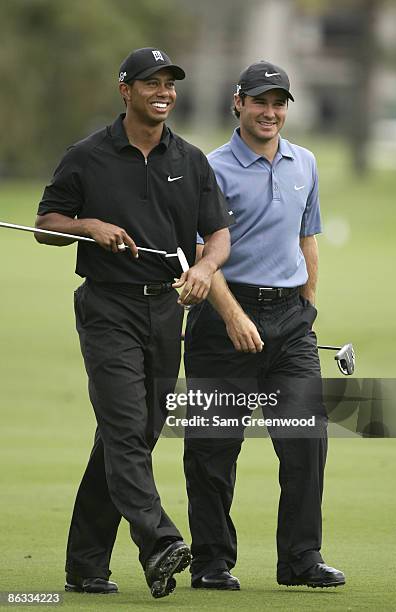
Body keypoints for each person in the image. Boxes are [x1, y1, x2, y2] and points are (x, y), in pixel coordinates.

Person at [34, 47, 232, 599]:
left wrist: (207, 267)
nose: (163, 91)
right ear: (126, 91)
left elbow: (217, 232)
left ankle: (84, 565)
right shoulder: (87, 156)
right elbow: (45, 224)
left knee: (134, 437)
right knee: (124, 428)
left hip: (166, 311)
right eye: (152, 83)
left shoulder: (190, 159)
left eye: (170, 83)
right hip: (107, 308)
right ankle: (159, 540)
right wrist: (87, 224)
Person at [183, 61, 345, 590]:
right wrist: (231, 314)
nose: (270, 112)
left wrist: (309, 309)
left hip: (290, 320)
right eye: (260, 102)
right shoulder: (211, 167)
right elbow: (204, 254)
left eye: (278, 103)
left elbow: (308, 238)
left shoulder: (306, 162)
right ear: (238, 103)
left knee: (305, 442)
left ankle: (301, 559)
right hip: (223, 316)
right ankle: (211, 562)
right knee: (213, 447)